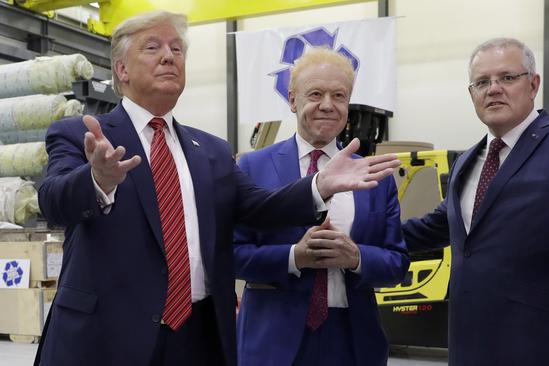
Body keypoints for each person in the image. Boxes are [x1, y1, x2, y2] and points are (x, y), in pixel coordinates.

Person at [35, 11, 399, 366]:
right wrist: (97, 179)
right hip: (109, 338)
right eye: (153, 47)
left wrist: (318, 186)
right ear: (122, 70)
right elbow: (52, 202)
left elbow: (260, 207)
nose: (169, 56)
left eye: (177, 50)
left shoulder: (210, 150)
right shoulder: (79, 134)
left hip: (196, 335)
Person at [402, 37, 549, 366]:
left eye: (507, 77)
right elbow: (435, 227)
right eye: (482, 82)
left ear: (533, 84)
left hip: (545, 348)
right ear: (471, 94)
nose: (494, 89)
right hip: (469, 347)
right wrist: (357, 236)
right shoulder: (467, 162)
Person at [233, 48, 409, 366]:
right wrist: (293, 257)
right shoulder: (252, 167)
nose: (327, 105)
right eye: (315, 94)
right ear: (292, 100)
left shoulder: (375, 177)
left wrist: (355, 257)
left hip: (353, 339)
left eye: (338, 95)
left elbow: (397, 263)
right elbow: (231, 255)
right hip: (274, 340)